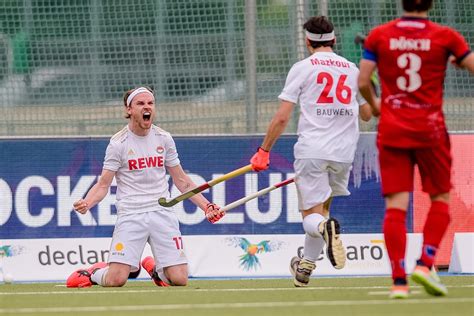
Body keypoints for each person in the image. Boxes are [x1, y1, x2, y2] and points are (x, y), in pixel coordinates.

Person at [358, 0, 474, 299]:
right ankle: (425, 264)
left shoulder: (380, 35)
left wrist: (376, 106)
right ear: (431, 4)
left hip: (393, 128)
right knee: (440, 198)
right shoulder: (446, 36)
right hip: (430, 129)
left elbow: (362, 81)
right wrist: (459, 62)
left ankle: (399, 281)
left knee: (395, 206)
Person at [250, 16, 372, 287]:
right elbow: (367, 114)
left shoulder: (303, 68)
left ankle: (322, 231)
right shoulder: (353, 69)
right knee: (322, 211)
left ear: (307, 42)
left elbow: (282, 117)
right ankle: (305, 266)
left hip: (313, 151)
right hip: (343, 153)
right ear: (334, 39)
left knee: (312, 217)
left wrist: (263, 151)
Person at [66, 86, 225, 288]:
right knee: (116, 280)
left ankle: (156, 270)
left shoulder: (164, 138)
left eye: (150, 103)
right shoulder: (118, 143)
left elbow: (182, 180)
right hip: (131, 214)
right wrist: (87, 202)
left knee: (180, 279)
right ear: (129, 110)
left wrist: (207, 206)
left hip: (162, 212)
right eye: (140, 104)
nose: (146, 107)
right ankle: (93, 273)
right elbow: (103, 184)